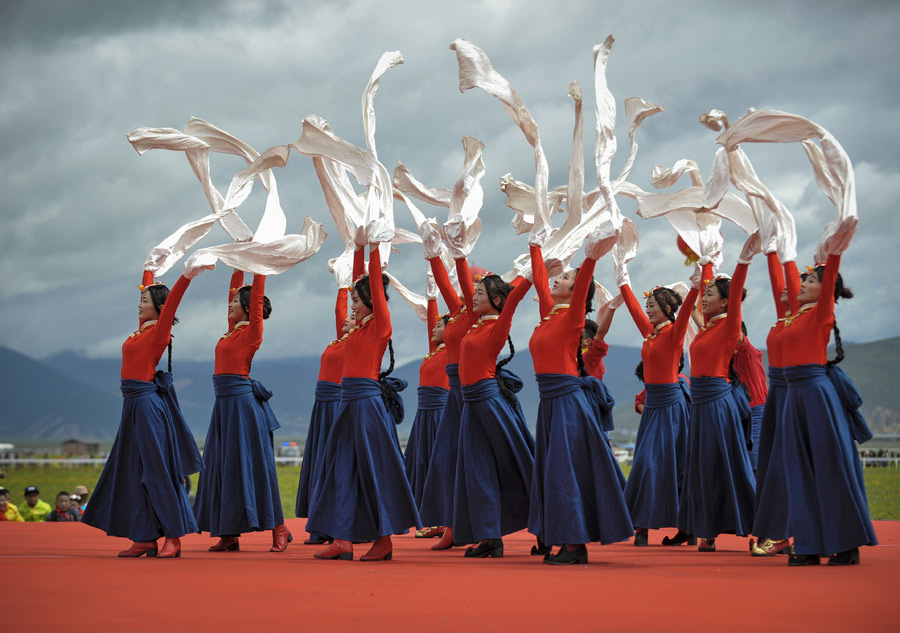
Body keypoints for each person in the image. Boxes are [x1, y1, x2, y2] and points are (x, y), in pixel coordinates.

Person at [307, 243, 421, 562]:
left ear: (371, 300)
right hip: (348, 404)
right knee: (340, 469)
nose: (351, 306)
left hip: (368, 406)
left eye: (356, 300)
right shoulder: (354, 331)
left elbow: (371, 286)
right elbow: (358, 283)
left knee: (374, 472)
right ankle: (342, 540)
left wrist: (373, 247)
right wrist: (358, 247)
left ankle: (384, 540)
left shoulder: (379, 327)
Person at [82, 265, 205, 559]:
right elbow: (149, 290)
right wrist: (149, 268)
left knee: (156, 471)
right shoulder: (141, 331)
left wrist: (187, 276)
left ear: (160, 308)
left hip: (148, 407)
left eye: (145, 301)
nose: (139, 304)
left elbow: (172, 301)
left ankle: (173, 537)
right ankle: (145, 536)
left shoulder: (159, 333)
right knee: (131, 472)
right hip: (132, 406)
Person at [527, 241, 633, 565]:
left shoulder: (573, 319)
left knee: (564, 473)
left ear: (576, 292)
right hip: (549, 404)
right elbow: (539, 275)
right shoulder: (548, 315)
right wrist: (534, 243)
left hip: (567, 405)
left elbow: (584, 283)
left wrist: (590, 257)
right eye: (557, 276)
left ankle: (574, 544)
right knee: (552, 472)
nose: (556, 278)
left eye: (566, 278)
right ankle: (561, 538)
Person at [778, 255, 877, 566]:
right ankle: (808, 544)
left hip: (818, 395)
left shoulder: (822, 314)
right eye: (803, 279)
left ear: (826, 292)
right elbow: (784, 274)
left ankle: (846, 543)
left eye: (810, 281)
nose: (802, 284)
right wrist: (780, 251)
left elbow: (829, 272)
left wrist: (833, 250)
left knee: (829, 469)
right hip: (793, 395)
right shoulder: (795, 315)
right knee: (799, 473)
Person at [193, 270, 291, 553]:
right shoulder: (231, 330)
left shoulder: (251, 333)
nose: (230, 304)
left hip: (243, 408)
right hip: (223, 408)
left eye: (235, 301)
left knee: (256, 467)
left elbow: (255, 297)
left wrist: (258, 265)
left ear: (248, 307)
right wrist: (238, 260)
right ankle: (229, 532)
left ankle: (279, 528)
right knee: (222, 466)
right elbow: (234, 289)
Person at [678, 247, 758, 553]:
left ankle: (763, 528)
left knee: (729, 465)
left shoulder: (729, 327)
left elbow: (734, 290)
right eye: (704, 293)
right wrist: (705, 260)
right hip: (700, 406)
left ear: (726, 301)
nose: (704, 297)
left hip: (718, 404)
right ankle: (707, 529)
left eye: (710, 293)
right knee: (702, 468)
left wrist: (743, 261)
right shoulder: (707, 327)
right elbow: (703, 293)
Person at [452, 269, 534, 558]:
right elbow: (465, 284)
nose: (474, 297)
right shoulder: (475, 324)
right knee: (478, 472)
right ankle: (490, 537)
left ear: (497, 300)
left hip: (489, 402)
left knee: (518, 466)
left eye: (481, 294)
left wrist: (533, 272)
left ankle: (548, 527)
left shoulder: (498, 325)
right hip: (471, 403)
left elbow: (515, 298)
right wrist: (457, 254)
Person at [615, 262, 697, 547]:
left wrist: (697, 286)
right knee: (647, 463)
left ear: (667, 309)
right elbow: (634, 309)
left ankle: (672, 526)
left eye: (653, 305)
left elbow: (686, 311)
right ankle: (643, 524)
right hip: (653, 407)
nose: (648, 309)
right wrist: (622, 279)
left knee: (664, 464)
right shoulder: (650, 333)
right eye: (647, 304)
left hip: (672, 406)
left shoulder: (675, 332)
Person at [295, 249, 364, 546]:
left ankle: (338, 525)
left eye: (356, 309)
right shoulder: (341, 338)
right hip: (321, 407)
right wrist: (341, 282)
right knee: (320, 465)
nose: (349, 314)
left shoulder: (361, 338)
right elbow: (340, 309)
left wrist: (360, 258)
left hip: (337, 405)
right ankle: (321, 524)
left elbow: (361, 300)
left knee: (335, 465)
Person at [417, 256, 480, 551]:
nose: (474, 294)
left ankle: (474, 527)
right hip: (448, 403)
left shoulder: (473, 320)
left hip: (466, 397)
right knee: (445, 464)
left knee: (467, 463)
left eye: (481, 291)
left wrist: (458, 255)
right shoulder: (442, 343)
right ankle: (450, 524)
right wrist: (433, 260)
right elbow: (445, 297)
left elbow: (463, 293)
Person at [750, 252, 802, 557]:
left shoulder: (803, 316)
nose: (784, 289)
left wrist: (785, 252)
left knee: (791, 467)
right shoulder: (784, 319)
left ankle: (797, 534)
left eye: (801, 284)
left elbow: (783, 282)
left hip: (797, 394)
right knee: (776, 468)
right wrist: (771, 249)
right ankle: (780, 534)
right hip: (779, 398)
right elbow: (777, 285)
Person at [406, 300, 450, 537]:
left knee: (438, 466)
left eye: (439, 326)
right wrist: (431, 298)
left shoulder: (452, 350)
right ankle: (431, 518)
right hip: (423, 415)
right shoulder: (435, 352)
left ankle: (444, 520)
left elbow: (457, 321)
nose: (433, 328)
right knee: (421, 464)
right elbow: (432, 327)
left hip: (439, 415)